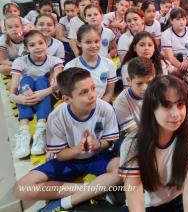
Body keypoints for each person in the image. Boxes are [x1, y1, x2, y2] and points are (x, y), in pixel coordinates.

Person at [14, 67, 120, 211]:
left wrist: (98, 144)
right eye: (84, 92)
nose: (92, 95)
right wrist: (79, 149)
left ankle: (67, 201)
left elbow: (108, 141)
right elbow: (62, 156)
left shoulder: (105, 108)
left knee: (124, 168)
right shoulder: (56, 116)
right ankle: (91, 189)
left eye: (93, 88)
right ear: (66, 99)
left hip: (97, 156)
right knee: (21, 188)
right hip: (70, 160)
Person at [119, 75, 188, 211]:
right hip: (147, 206)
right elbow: (135, 195)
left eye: (180, 104)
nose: (176, 114)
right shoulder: (132, 144)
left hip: (177, 201)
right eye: (166, 106)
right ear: (151, 109)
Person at [9, 30, 64, 158]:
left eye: (41, 43)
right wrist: (18, 99)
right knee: (26, 80)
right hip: (27, 99)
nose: (38, 47)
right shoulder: (20, 61)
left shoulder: (55, 60)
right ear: (27, 48)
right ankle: (24, 132)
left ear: (46, 45)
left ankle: (41, 128)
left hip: (49, 97)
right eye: (32, 45)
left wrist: (42, 94)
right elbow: (13, 90)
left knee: (41, 80)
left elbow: (57, 85)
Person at [65, 24, 117, 102]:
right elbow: (70, 96)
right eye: (88, 42)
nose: (93, 45)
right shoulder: (70, 67)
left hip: (102, 105)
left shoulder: (108, 64)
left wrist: (98, 108)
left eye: (96, 41)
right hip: (80, 107)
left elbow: (109, 93)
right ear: (79, 43)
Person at [114, 57, 155, 134]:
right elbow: (133, 133)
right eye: (139, 83)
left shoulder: (159, 93)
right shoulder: (121, 102)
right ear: (129, 81)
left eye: (149, 82)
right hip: (136, 139)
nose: (145, 88)